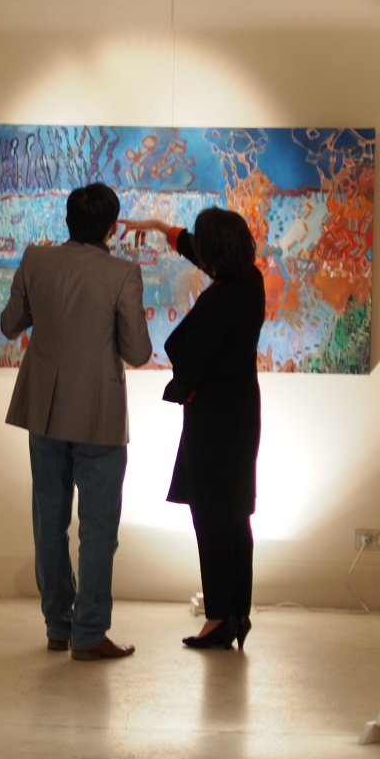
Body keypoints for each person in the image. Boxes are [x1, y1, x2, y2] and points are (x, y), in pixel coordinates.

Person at [1, 182, 152, 660]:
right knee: (98, 529)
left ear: (67, 219)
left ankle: (57, 625)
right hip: (98, 414)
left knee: (49, 521)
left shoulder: (35, 260)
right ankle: (89, 633)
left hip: (44, 409)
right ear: (112, 227)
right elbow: (138, 352)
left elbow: (9, 324)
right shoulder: (122, 273)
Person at [123, 208, 266, 650]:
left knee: (212, 517)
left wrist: (184, 387)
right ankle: (236, 613)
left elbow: (187, 354)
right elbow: (195, 248)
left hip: (213, 420)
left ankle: (219, 618)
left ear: (212, 253)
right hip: (241, 412)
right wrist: (159, 228)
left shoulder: (220, 301)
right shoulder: (251, 280)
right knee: (234, 515)